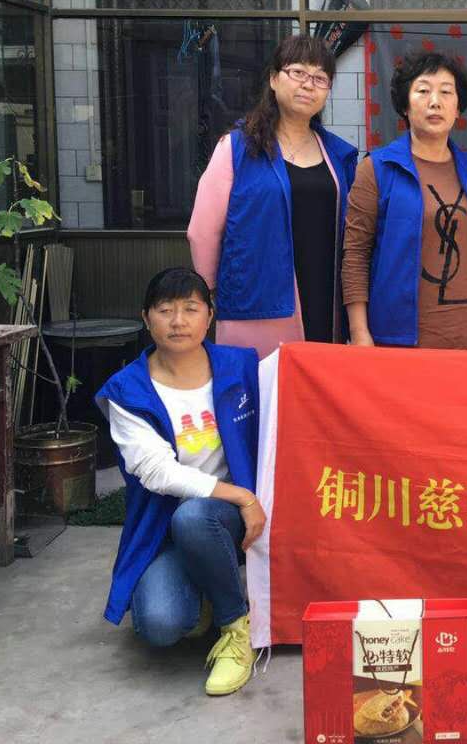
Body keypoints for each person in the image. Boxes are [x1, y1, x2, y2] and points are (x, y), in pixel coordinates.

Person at [96, 267, 262, 696]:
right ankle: (209, 584)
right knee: (160, 625)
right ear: (146, 318)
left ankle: (235, 628)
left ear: (209, 316)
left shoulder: (242, 367)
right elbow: (158, 471)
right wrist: (242, 496)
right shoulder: (128, 390)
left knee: (195, 518)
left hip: (229, 520)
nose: (178, 321)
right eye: (165, 310)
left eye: (190, 308)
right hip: (169, 525)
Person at [342, 51, 467, 349]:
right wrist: (359, 332)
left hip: (465, 340)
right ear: (405, 105)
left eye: (446, 92)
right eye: (423, 91)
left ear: (458, 108)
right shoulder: (377, 169)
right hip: (395, 342)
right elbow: (356, 255)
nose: (435, 101)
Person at [188, 35, 358, 358]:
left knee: (317, 382)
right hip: (259, 299)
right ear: (273, 79)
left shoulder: (338, 154)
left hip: (325, 292)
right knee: (263, 384)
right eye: (298, 73)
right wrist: (208, 293)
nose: (308, 85)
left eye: (320, 78)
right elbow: (202, 231)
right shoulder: (238, 148)